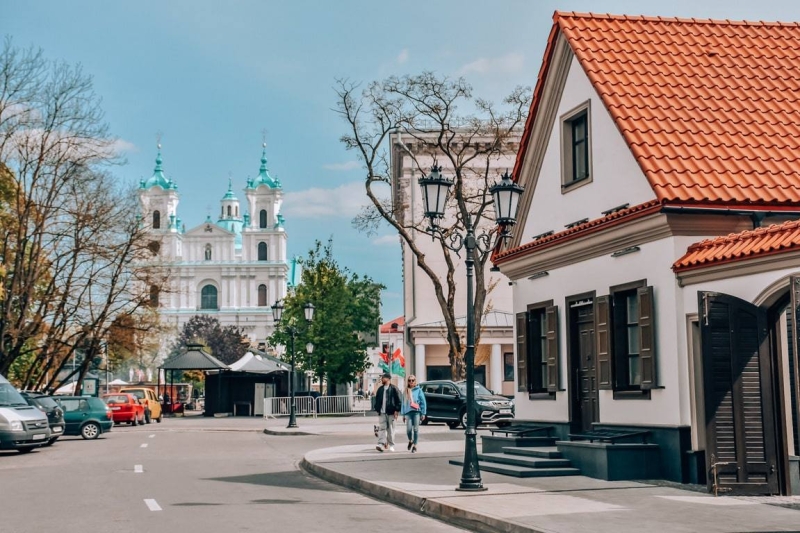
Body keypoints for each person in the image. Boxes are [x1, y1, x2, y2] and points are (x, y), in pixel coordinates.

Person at [373, 372, 401, 452]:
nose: (382, 379)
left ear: (388, 379)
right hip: (382, 412)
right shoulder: (380, 389)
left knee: (391, 429)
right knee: (382, 428)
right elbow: (377, 399)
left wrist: (396, 410)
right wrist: (377, 408)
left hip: (391, 412)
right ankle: (381, 444)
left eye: (383, 378)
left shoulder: (394, 389)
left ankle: (391, 444)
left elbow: (398, 401)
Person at [401, 375, 426, 453]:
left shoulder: (419, 390)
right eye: (409, 380)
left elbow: (423, 402)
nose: (411, 382)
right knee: (408, 430)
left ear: (415, 381)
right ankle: (410, 440)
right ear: (408, 382)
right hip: (408, 412)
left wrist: (423, 413)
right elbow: (403, 403)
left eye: (413, 380)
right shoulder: (406, 391)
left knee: (416, 429)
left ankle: (415, 445)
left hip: (416, 412)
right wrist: (403, 414)